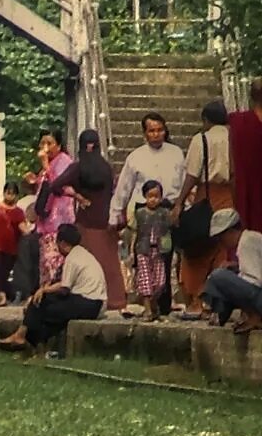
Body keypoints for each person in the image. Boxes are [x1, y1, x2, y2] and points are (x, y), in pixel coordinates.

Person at [0, 223, 105, 354]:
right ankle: (31, 342)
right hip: (92, 302)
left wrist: (44, 290)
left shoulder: (73, 258)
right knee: (44, 310)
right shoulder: (82, 254)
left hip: (88, 303)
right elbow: (64, 284)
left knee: (42, 306)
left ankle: (23, 336)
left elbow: (64, 288)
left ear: (63, 243)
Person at [178, 100, 238, 315]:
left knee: (196, 250)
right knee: (224, 249)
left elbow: (193, 174)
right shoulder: (235, 138)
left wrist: (179, 202)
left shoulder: (201, 139)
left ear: (206, 120)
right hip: (231, 196)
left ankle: (196, 300)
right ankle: (218, 301)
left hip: (207, 197)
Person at [64, 130, 124, 309]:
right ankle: (117, 299)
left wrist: (77, 196)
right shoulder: (106, 167)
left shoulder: (78, 167)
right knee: (110, 264)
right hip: (106, 220)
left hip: (86, 221)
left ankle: (91, 297)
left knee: (87, 264)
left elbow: (56, 185)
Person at [111, 113, 188, 231]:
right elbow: (124, 188)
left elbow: (184, 182)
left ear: (165, 131)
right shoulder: (135, 157)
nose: (156, 134)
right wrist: (114, 215)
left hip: (169, 212)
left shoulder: (176, 153)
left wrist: (184, 205)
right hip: (142, 214)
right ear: (145, 133)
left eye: (160, 130)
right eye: (151, 131)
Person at [25, 129, 76, 286]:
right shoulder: (49, 164)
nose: (46, 147)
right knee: (45, 262)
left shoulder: (64, 161)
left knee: (54, 260)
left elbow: (57, 185)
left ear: (59, 145)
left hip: (59, 218)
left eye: (50, 143)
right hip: (46, 219)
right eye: (43, 143)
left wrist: (46, 165)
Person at [203, 216, 262, 331]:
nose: (221, 242)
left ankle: (254, 316)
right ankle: (219, 316)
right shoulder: (251, 238)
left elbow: (255, 281)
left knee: (218, 276)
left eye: (221, 238)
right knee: (223, 277)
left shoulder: (247, 241)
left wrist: (232, 276)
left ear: (230, 232)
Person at [128, 180, 174, 321]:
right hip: (143, 249)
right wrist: (131, 251)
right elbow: (135, 232)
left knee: (160, 282)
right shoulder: (140, 213)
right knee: (145, 279)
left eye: (156, 196)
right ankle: (148, 310)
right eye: (150, 196)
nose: (153, 199)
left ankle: (154, 306)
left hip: (159, 251)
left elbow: (168, 231)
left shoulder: (164, 213)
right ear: (145, 196)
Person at [229, 78, 262, 235]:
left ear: (251, 97)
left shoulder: (238, 123)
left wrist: (237, 205)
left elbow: (233, 171)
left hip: (247, 197)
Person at [0, 183, 26, 306]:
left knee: (5, 272)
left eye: (13, 193)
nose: (10, 196)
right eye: (8, 193)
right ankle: (2, 296)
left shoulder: (18, 212)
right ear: (4, 193)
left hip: (12, 247)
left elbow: (23, 228)